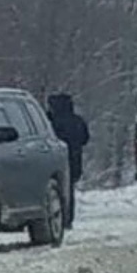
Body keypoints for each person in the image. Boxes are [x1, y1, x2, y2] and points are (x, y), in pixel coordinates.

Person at [46, 92, 90, 227]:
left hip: (52, 161)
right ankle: (67, 218)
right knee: (68, 190)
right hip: (74, 160)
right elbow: (85, 139)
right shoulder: (77, 121)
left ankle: (53, 217)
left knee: (52, 190)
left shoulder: (49, 122)